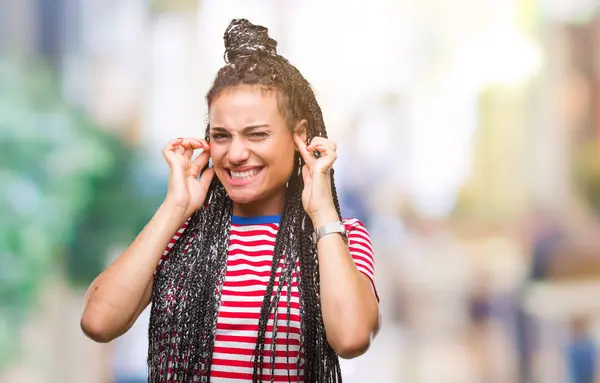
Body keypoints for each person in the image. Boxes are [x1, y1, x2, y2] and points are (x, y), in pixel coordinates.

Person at [80, 19, 380, 382]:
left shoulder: (337, 238)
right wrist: (175, 207)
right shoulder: (181, 237)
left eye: (257, 134)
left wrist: (321, 212)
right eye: (222, 136)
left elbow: (351, 338)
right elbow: (98, 322)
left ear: (298, 136)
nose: (236, 153)